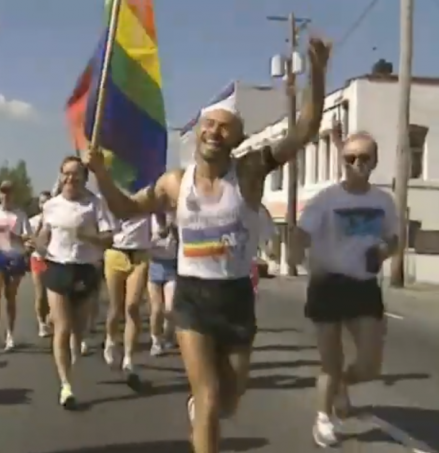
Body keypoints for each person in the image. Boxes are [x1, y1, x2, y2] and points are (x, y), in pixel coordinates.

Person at [82, 36, 330, 453]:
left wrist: (318, 71)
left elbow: (304, 130)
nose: (214, 132)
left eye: (224, 127)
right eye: (209, 125)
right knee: (212, 399)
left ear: (237, 138)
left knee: (229, 401)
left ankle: (202, 407)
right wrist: (102, 175)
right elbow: (125, 210)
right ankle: (204, 412)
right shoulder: (174, 183)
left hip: (235, 297)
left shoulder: (249, 173)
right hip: (192, 298)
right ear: (198, 132)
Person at [289, 131, 398, 448]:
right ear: (342, 161)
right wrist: (295, 251)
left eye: (364, 158)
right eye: (350, 158)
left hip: (364, 286)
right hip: (327, 284)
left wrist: (383, 251)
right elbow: (301, 232)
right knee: (331, 361)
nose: (357, 163)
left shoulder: (383, 201)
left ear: (374, 161)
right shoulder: (326, 199)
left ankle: (340, 386)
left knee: (369, 365)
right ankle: (323, 417)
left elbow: (394, 238)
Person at [36, 155, 113, 409]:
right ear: (60, 176)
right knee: (63, 327)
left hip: (85, 270)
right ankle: (65, 386)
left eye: (76, 174)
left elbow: (108, 239)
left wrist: (88, 236)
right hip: (57, 267)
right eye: (66, 174)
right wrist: (35, 244)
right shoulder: (52, 206)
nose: (70, 178)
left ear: (84, 178)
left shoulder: (95, 204)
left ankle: (74, 351)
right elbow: (44, 236)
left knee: (78, 330)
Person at [102, 212, 152, 389]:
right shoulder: (112, 199)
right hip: (116, 254)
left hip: (140, 256)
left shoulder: (147, 198)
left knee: (132, 307)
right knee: (116, 306)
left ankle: (129, 358)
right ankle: (110, 339)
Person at [0, 180, 31, 354]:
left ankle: (10, 334)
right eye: (3, 192)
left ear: (13, 195)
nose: (6, 196)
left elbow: (27, 237)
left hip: (15, 256)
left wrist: (15, 237)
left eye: (9, 192)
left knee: (10, 297)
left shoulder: (20, 214)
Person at [147, 211, 178, 356]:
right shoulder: (149, 220)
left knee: (170, 308)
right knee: (156, 308)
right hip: (154, 265)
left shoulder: (174, 217)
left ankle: (168, 334)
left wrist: (173, 229)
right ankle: (156, 341)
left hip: (172, 265)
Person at [29, 190, 52, 338]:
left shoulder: (59, 219)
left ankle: (53, 319)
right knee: (40, 294)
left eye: (48, 202)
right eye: (42, 202)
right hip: (38, 259)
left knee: (55, 295)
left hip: (56, 260)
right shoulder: (33, 221)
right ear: (39, 204)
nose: (45, 205)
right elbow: (30, 241)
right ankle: (41, 323)